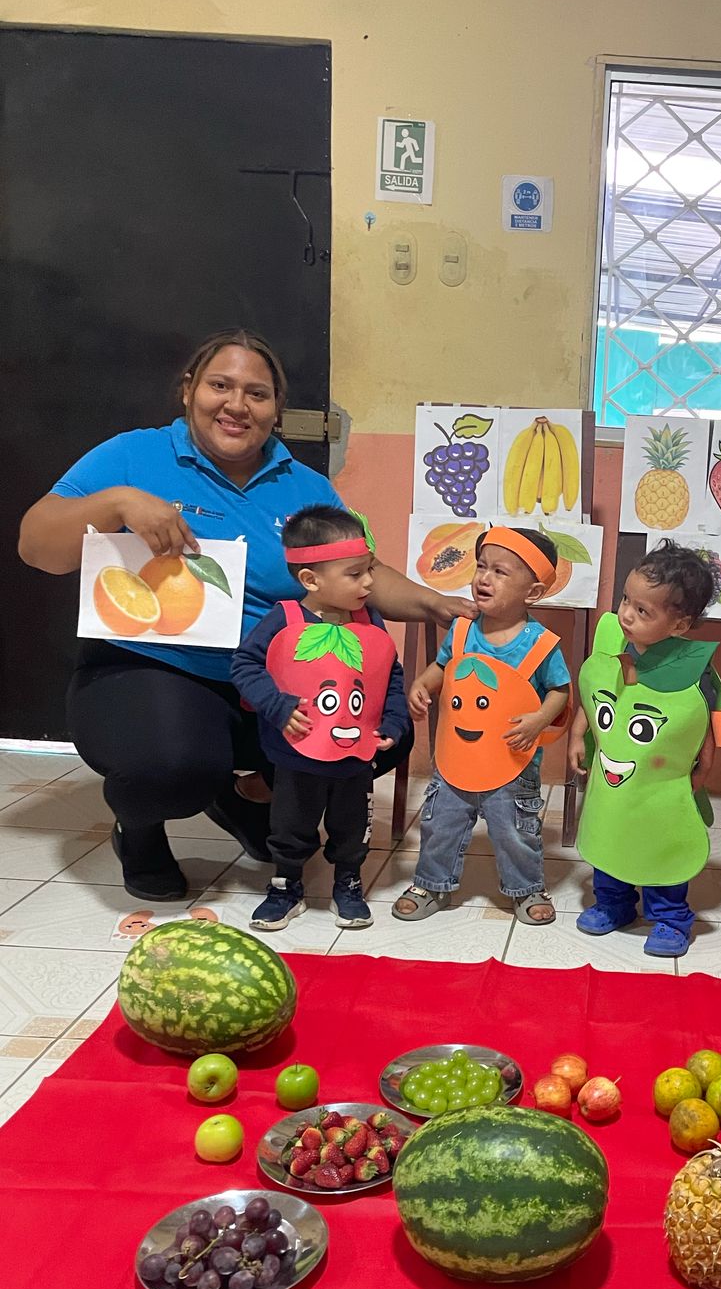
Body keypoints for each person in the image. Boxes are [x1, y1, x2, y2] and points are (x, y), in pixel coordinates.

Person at [17, 328, 465, 901]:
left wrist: (437, 604)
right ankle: (140, 830)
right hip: (151, 666)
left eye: (257, 393)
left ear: (276, 409)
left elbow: (361, 572)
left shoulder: (305, 487)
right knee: (171, 770)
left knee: (378, 733)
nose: (236, 405)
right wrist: (117, 502)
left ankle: (245, 791)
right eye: (220, 386)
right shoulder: (132, 455)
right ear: (188, 390)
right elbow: (36, 546)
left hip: (267, 678)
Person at [230, 506, 410, 930]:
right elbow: (245, 666)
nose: (369, 583)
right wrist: (277, 706)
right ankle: (286, 884)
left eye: (369, 570)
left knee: (352, 826)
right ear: (311, 579)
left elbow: (390, 675)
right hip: (295, 756)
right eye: (355, 574)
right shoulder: (283, 619)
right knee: (290, 825)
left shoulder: (370, 621)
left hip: (355, 755)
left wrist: (394, 722)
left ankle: (348, 882)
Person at [393, 527, 571, 926]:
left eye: (500, 572)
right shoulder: (462, 629)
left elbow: (560, 691)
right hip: (455, 758)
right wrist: (422, 684)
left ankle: (526, 888)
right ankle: (431, 883)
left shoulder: (541, 644)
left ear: (533, 592)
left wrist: (540, 719)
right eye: (481, 567)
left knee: (514, 830)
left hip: (513, 762)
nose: (484, 578)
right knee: (440, 823)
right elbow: (443, 666)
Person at [568, 540, 721, 958]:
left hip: (661, 783)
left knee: (661, 843)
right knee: (610, 832)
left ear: (679, 625)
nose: (626, 615)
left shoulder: (693, 670)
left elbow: (702, 721)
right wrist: (578, 733)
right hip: (613, 780)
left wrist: (704, 767)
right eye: (625, 600)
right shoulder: (613, 643)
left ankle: (671, 917)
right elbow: (595, 694)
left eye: (642, 610)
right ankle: (614, 902)